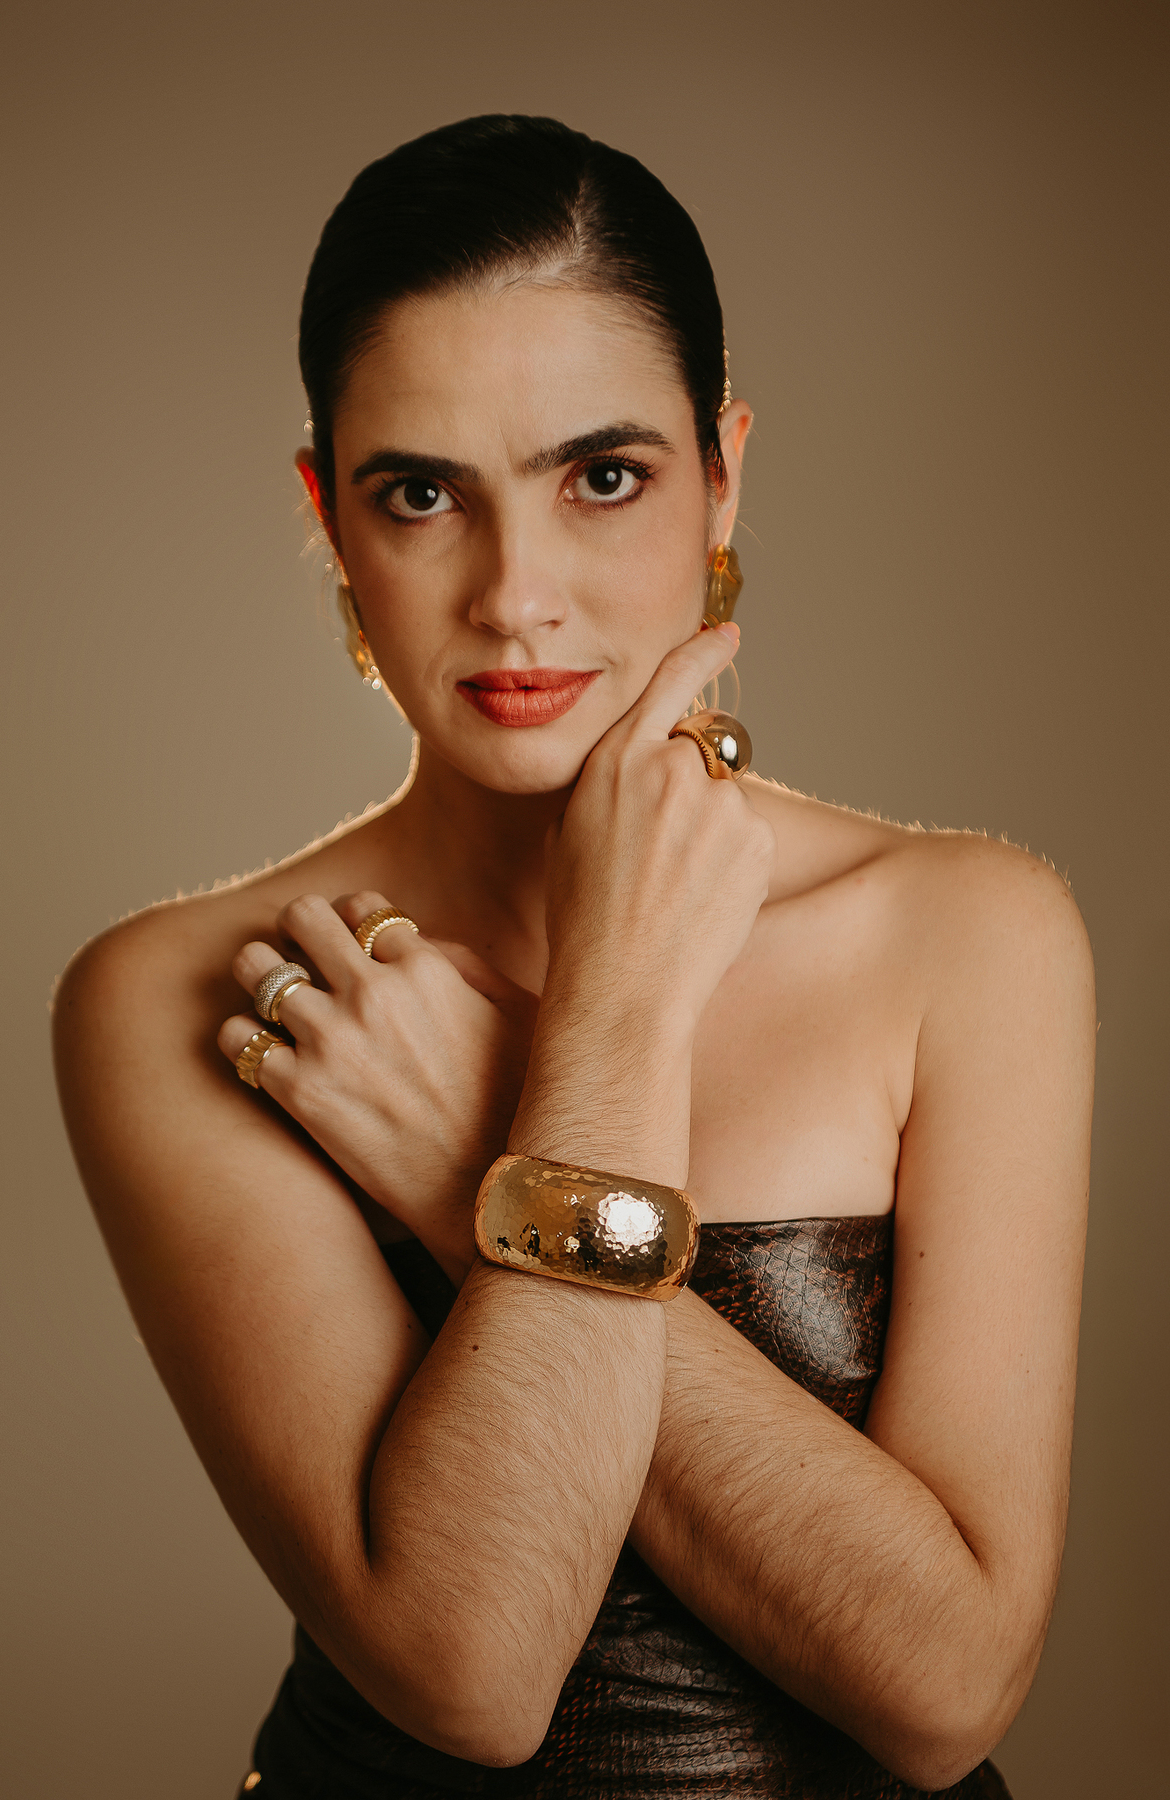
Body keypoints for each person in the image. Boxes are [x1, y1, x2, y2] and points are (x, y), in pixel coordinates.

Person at [53, 115, 1095, 1799]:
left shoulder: (970, 935)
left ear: (723, 473)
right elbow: (472, 1670)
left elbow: (947, 1691)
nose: (516, 594)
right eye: (421, 495)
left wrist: (469, 1161)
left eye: (601, 477)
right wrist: (616, 1012)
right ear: (329, 516)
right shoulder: (196, 999)